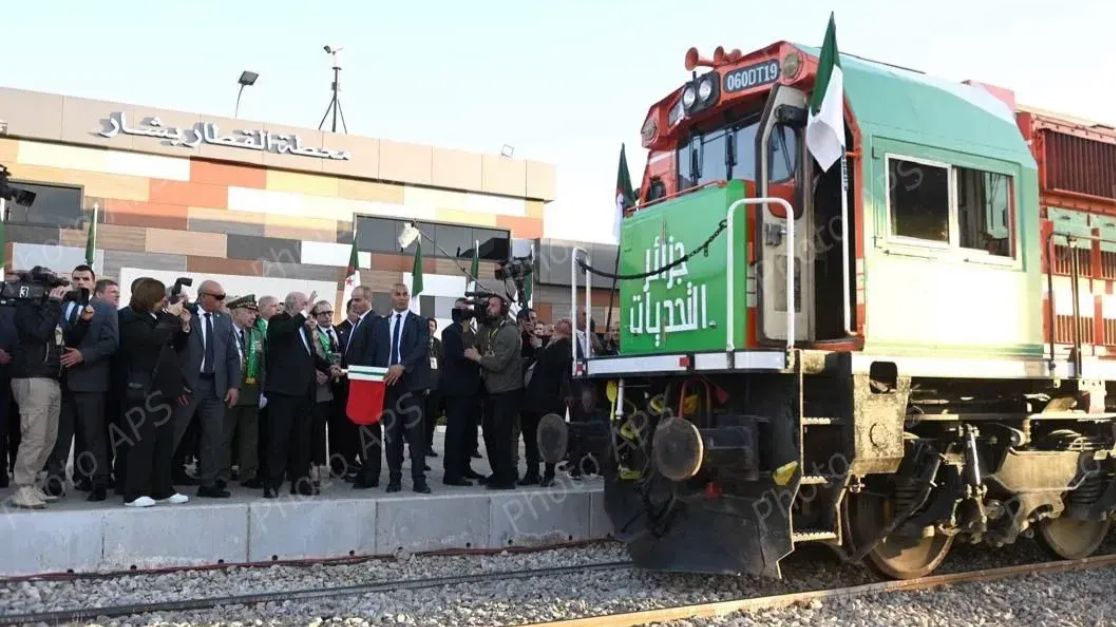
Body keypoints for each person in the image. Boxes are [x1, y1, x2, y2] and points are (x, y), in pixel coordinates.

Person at [7, 268, 91, 509]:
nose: (57, 292)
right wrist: (53, 303)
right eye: (51, 287)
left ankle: (32, 484)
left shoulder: (51, 309)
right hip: (32, 378)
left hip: (52, 378)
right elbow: (38, 333)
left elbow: (64, 337)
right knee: (33, 436)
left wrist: (84, 322)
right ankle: (22, 488)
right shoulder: (26, 308)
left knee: (48, 437)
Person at [45, 264, 119, 501]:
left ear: (94, 282)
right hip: (62, 381)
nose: (80, 283)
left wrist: (83, 355)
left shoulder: (106, 310)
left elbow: (111, 343)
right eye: (76, 278)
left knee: (93, 436)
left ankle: (98, 482)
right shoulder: (61, 307)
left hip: (92, 382)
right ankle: (54, 481)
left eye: (85, 278)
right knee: (60, 435)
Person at [350, 283, 431, 493]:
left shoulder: (420, 322)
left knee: (415, 437)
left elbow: (421, 348)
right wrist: (366, 378)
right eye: (398, 294)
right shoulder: (380, 324)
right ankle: (394, 479)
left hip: (411, 387)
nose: (402, 297)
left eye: (405, 294)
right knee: (392, 436)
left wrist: (402, 366)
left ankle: (419, 479)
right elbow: (372, 354)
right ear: (391, 297)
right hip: (387, 388)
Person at [118, 278, 191, 507]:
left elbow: (171, 346)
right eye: (161, 298)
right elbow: (151, 341)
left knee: (163, 443)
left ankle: (163, 488)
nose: (164, 302)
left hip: (164, 389)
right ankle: (134, 492)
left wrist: (183, 326)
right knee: (142, 443)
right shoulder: (130, 318)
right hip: (142, 389)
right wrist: (170, 317)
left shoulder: (159, 318)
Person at [263, 291, 335, 498]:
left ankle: (300, 482)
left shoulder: (303, 327)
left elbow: (310, 355)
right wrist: (303, 314)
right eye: (305, 304)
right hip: (283, 394)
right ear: (294, 305)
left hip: (304, 394)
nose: (309, 309)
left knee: (302, 441)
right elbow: (284, 332)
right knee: (279, 439)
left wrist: (329, 367)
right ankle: (273, 483)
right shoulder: (279, 321)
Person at [172, 280, 241, 498]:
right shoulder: (186, 315)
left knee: (214, 436)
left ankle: (208, 482)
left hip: (215, 385)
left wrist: (234, 385)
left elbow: (232, 355)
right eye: (218, 297)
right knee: (174, 433)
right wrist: (177, 385)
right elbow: (173, 352)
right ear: (202, 296)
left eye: (223, 297)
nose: (222, 301)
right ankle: (159, 479)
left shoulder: (224, 320)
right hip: (189, 385)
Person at [465, 295, 523, 490]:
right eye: (487, 305)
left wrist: (479, 358)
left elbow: (498, 363)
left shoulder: (509, 331)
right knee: (489, 433)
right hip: (491, 390)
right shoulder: (487, 328)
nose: (488, 308)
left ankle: (506, 477)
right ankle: (498, 471)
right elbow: (474, 345)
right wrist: (472, 321)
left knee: (502, 434)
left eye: (493, 305)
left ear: (504, 308)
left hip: (507, 390)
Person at [522, 318, 573, 487]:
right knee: (530, 436)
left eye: (554, 330)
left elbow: (551, 364)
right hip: (533, 398)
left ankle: (549, 474)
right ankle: (532, 472)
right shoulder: (549, 344)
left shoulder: (564, 347)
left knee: (548, 439)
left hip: (549, 400)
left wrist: (539, 348)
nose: (550, 332)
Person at [439, 299, 484, 486]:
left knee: (468, 432)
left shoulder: (471, 330)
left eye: (468, 310)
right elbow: (464, 354)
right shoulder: (450, 332)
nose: (467, 313)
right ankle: (452, 472)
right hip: (457, 390)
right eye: (463, 310)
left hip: (471, 390)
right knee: (456, 432)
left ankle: (465, 466)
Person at [225, 295, 264, 489]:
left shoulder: (256, 334)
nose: (253, 316)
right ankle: (221, 474)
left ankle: (248, 473)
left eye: (254, 312)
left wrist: (263, 390)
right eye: (249, 312)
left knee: (250, 437)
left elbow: (262, 364)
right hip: (228, 392)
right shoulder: (224, 331)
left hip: (251, 391)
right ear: (235, 312)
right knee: (224, 435)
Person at [308, 300, 340, 486]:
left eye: (329, 312)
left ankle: (338, 465)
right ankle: (316, 467)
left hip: (337, 388)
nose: (327, 316)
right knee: (318, 430)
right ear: (315, 316)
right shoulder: (311, 333)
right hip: (319, 388)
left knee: (338, 430)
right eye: (323, 313)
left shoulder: (336, 332)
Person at [423, 317, 443, 458]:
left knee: (431, 418)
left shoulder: (438, 344)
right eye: (428, 325)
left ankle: (428, 445)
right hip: (422, 387)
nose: (430, 328)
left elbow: (441, 362)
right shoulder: (420, 343)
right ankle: (418, 447)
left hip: (435, 387)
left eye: (432, 326)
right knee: (421, 419)